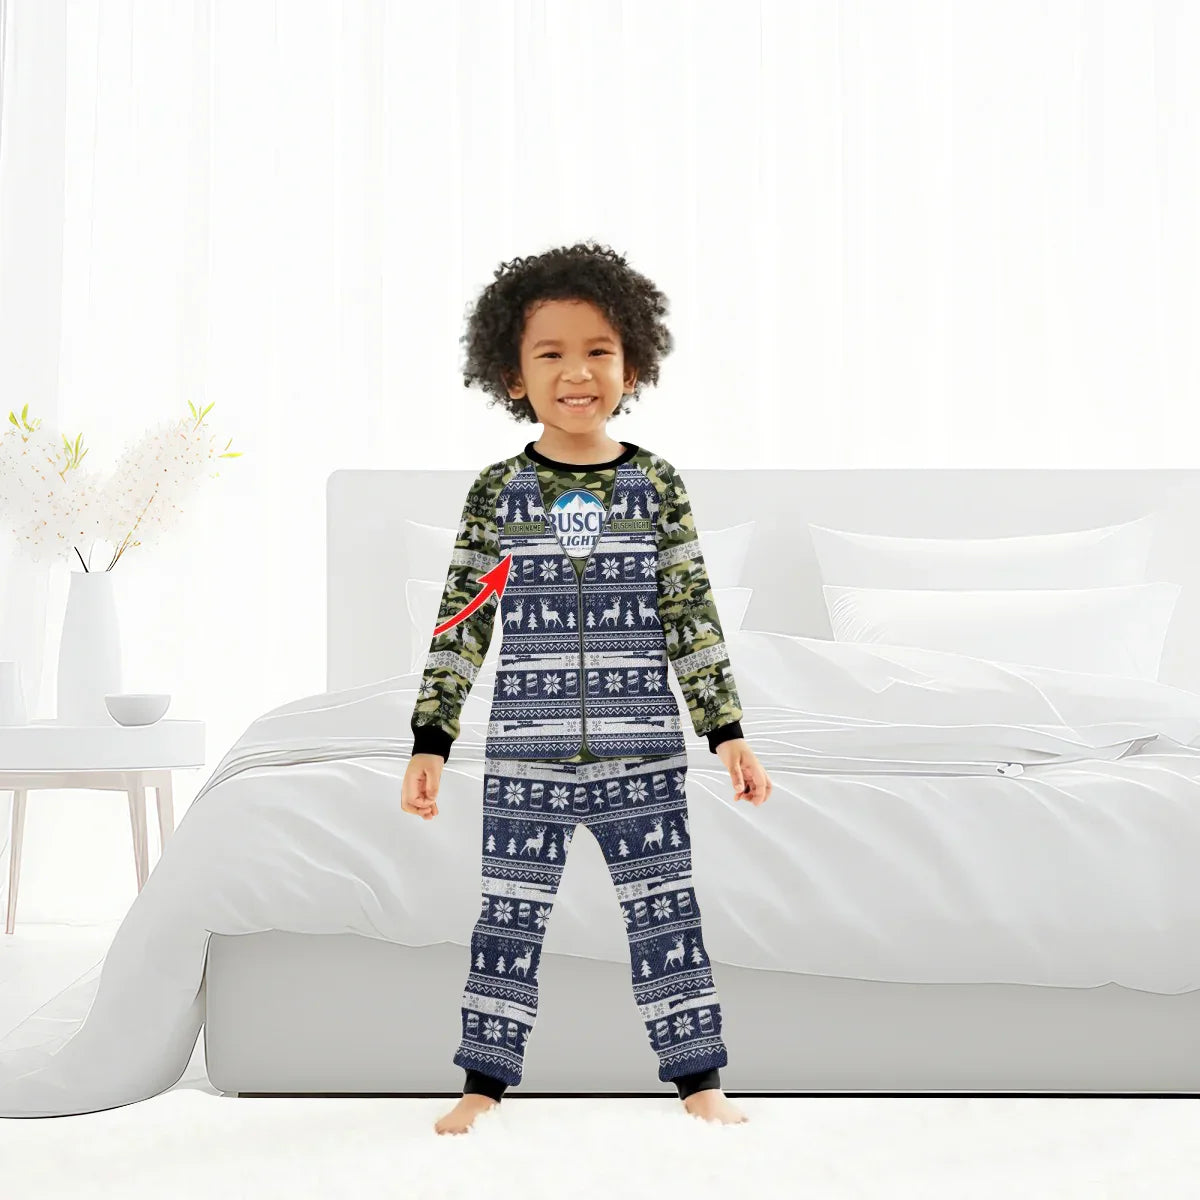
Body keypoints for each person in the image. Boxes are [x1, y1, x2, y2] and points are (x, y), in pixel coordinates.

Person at [401, 241, 772, 1136]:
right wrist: (430, 738)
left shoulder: (654, 487)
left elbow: (690, 615)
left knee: (665, 912)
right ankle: (483, 1083)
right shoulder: (499, 493)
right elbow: (462, 620)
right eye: (551, 354)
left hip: (642, 749)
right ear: (512, 375)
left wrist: (726, 730)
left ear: (634, 364)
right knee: (508, 916)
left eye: (599, 350)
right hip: (525, 751)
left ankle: (700, 1082)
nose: (578, 372)